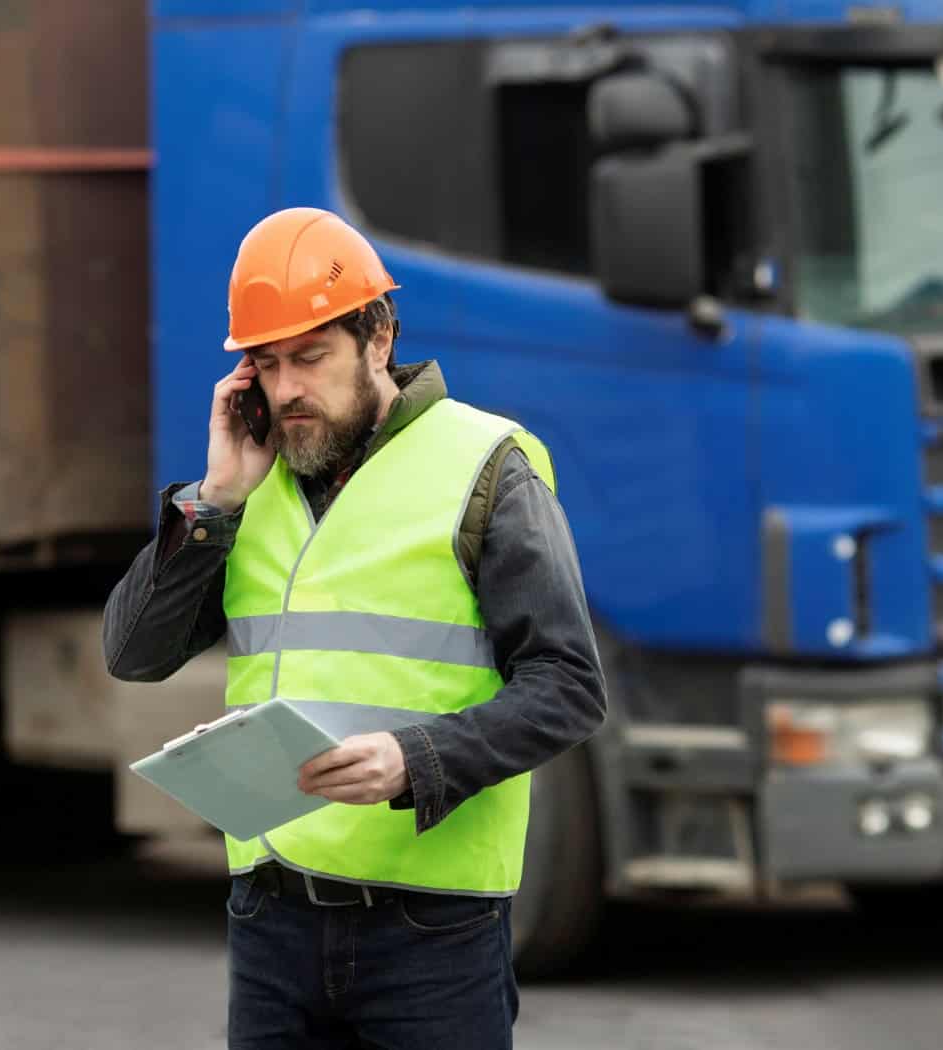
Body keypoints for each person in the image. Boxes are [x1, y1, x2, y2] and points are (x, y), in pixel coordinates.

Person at [103, 207, 606, 1050]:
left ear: (378, 339)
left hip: (431, 936)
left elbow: (568, 686)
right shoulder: (245, 486)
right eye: (265, 364)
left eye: (311, 356)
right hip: (271, 920)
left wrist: (416, 759)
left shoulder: (487, 468)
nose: (287, 387)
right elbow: (133, 654)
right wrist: (214, 501)